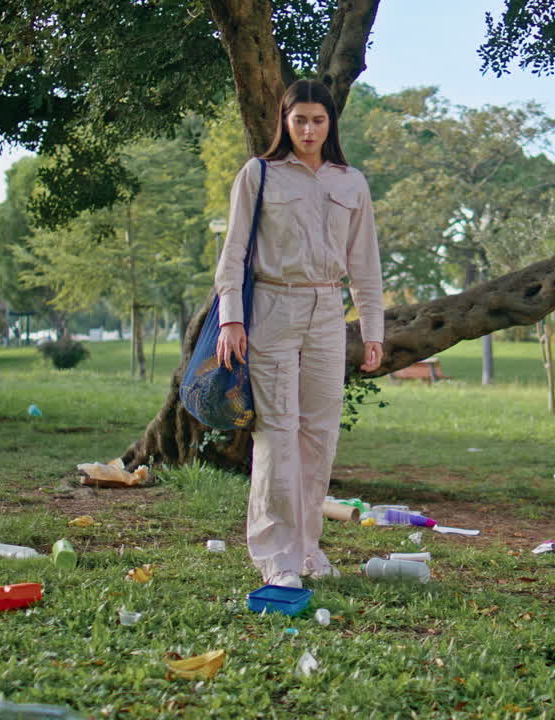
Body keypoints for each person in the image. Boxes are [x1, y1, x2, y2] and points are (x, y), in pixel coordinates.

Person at [213, 79, 385, 589]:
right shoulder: (259, 174)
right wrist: (231, 317)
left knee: (319, 434)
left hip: (328, 309)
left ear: (330, 124)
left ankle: (309, 547)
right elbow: (235, 250)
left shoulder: (351, 182)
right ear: (284, 122)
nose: (309, 130)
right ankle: (275, 554)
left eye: (318, 120)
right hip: (272, 306)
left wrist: (372, 328)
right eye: (299, 120)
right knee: (278, 432)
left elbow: (366, 263)